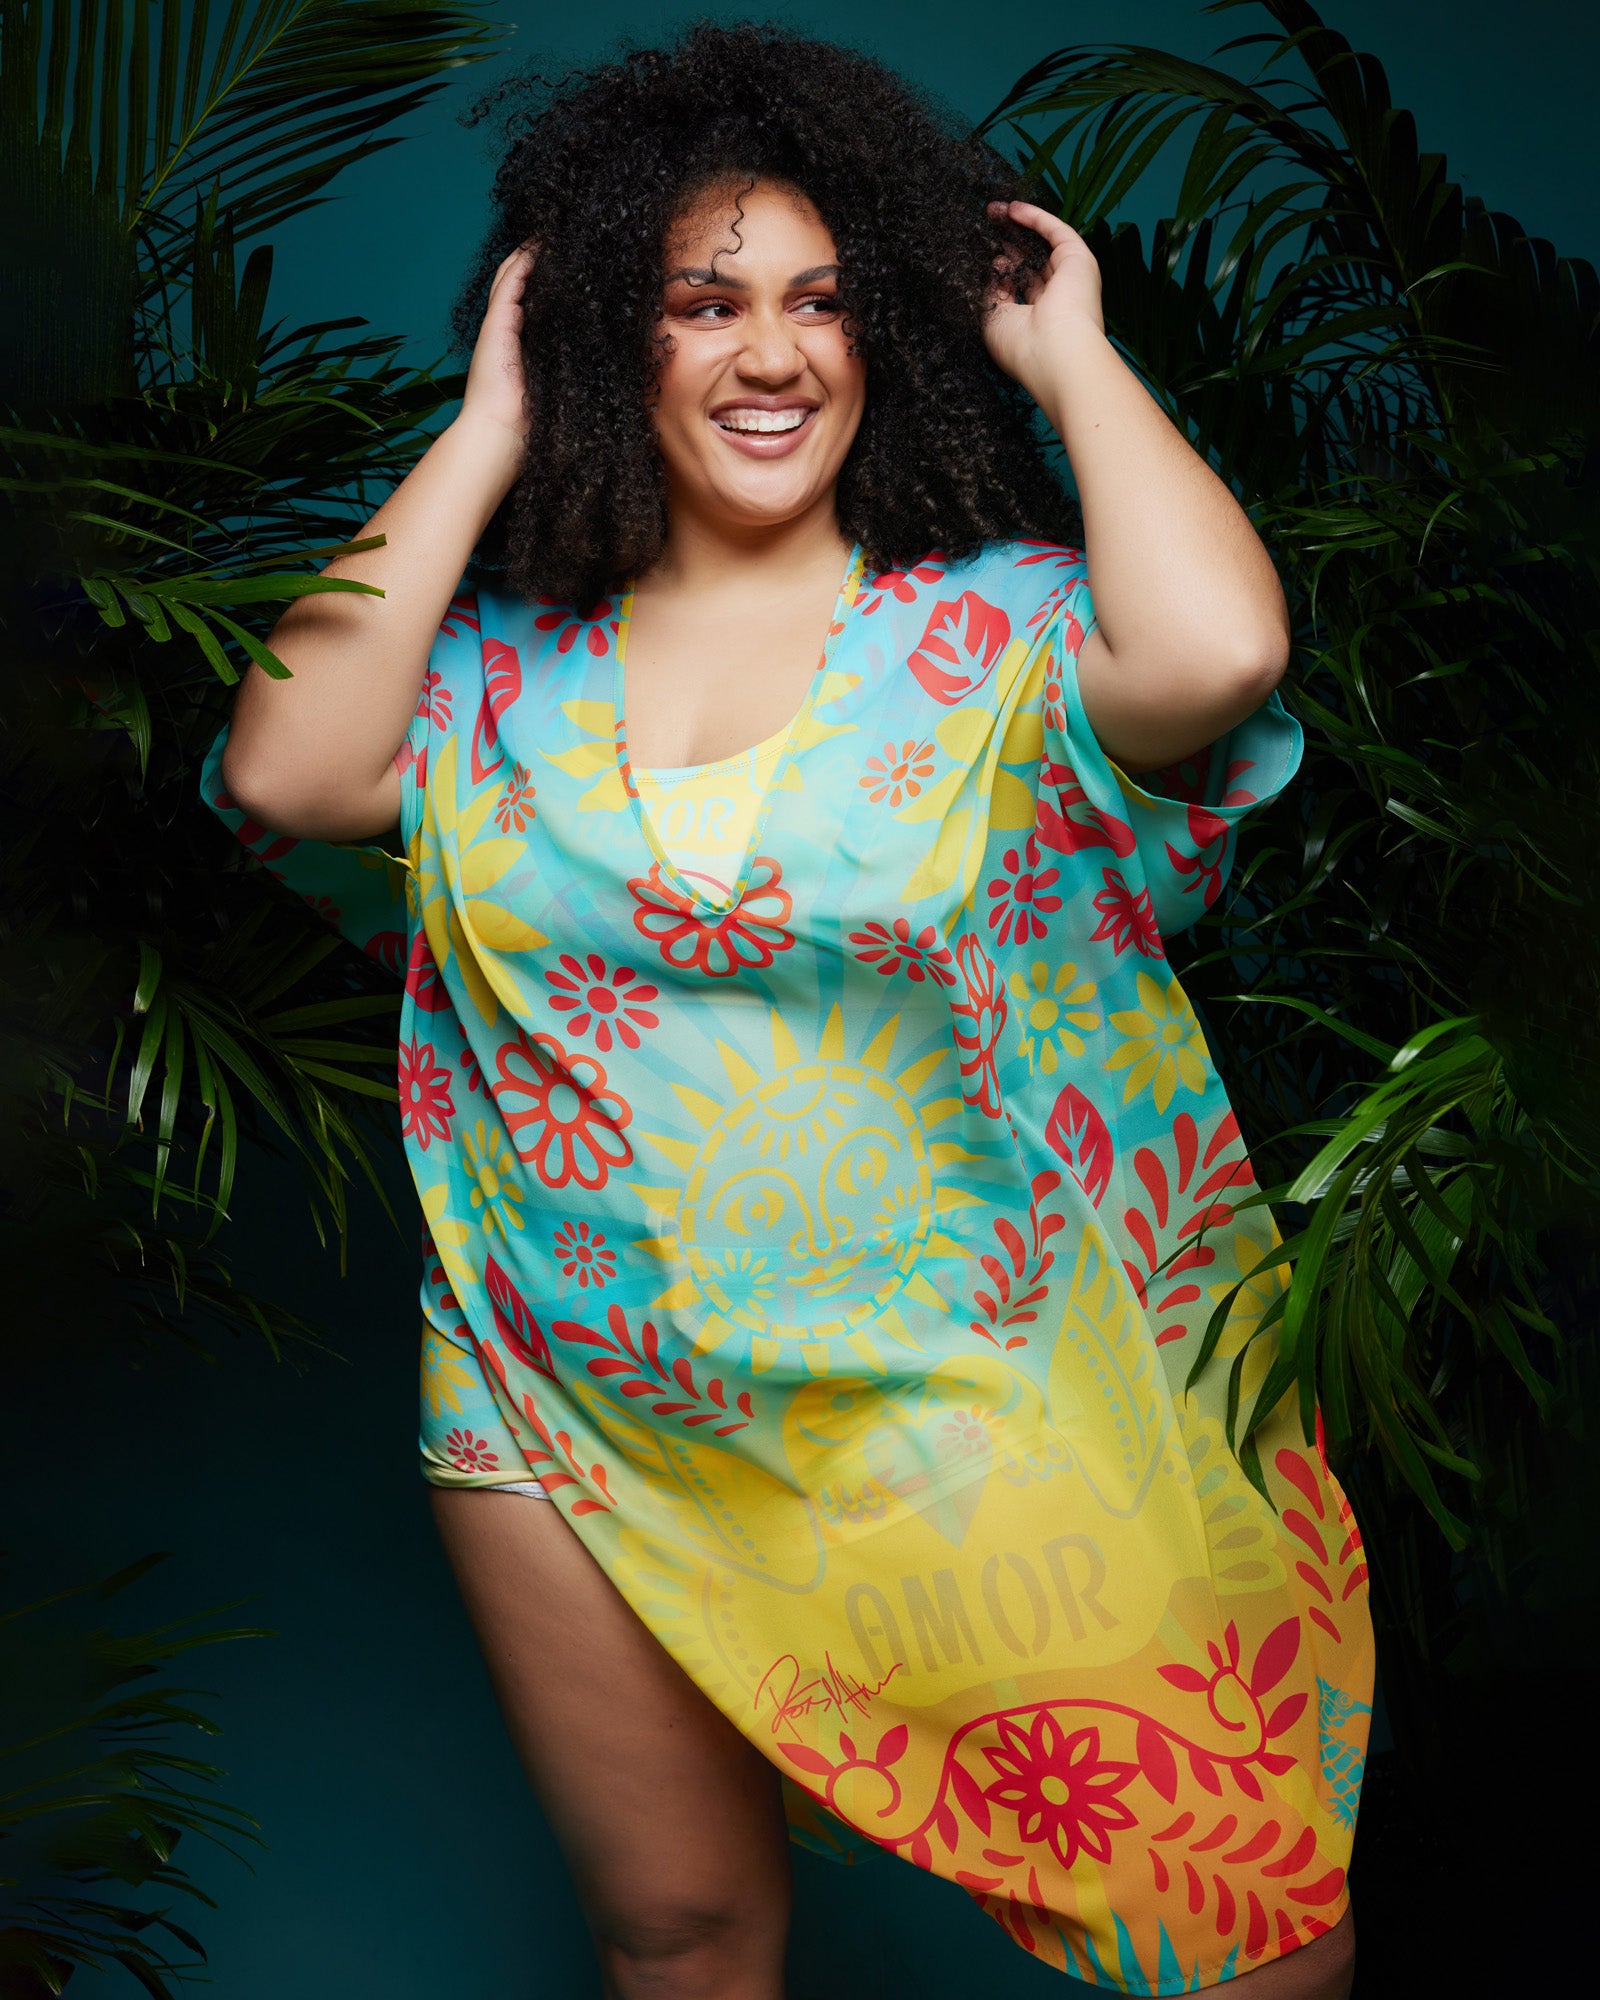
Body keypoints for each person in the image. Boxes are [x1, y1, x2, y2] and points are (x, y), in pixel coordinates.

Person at [206, 22, 1371, 1999]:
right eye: (701, 304)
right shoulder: (487, 676)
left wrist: (1071, 355)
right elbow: (284, 770)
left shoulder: (1001, 631)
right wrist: (488, 421)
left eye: (823, 301)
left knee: (1239, 1935)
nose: (772, 354)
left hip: (971, 1402)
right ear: (610, 337)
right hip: (560, 1386)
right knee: (676, 1933)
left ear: (885, 332)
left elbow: (1219, 651)